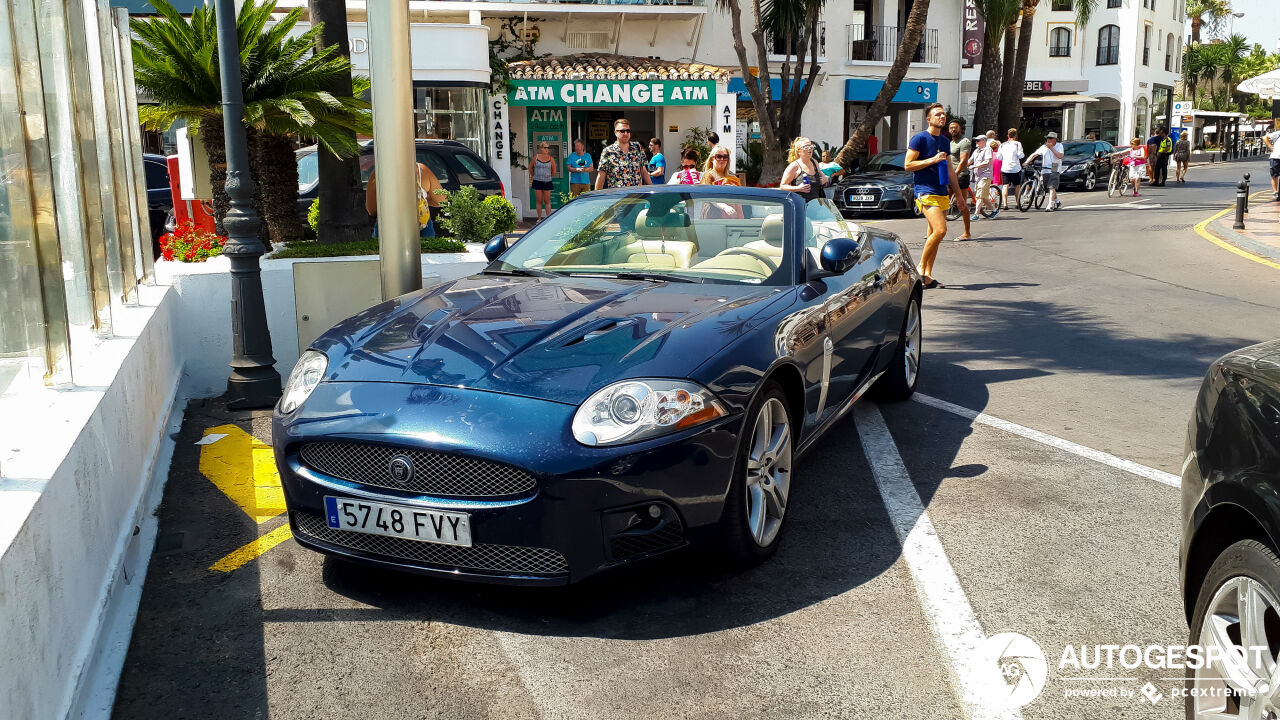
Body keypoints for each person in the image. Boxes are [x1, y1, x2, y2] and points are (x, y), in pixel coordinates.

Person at [905, 103, 962, 289]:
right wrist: (932, 159)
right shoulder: (919, 138)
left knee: (934, 235)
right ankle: (920, 268)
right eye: (937, 114)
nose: (942, 117)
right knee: (940, 230)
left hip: (941, 191)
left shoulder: (945, 141)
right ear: (928, 119)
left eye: (943, 114)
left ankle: (927, 276)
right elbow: (908, 165)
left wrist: (959, 195)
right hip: (925, 191)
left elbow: (951, 171)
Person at [365, 159, 443, 237]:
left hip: (388, 225)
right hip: (421, 224)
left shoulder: (379, 173)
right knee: (426, 249)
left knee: (386, 249)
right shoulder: (421, 170)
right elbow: (442, 200)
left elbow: (371, 210)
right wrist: (419, 200)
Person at [595, 118, 651, 190]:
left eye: (628, 131)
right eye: (622, 131)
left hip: (637, 196)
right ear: (615, 132)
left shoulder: (637, 148)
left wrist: (651, 190)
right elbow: (601, 176)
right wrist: (596, 197)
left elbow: (644, 172)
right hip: (618, 197)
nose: (625, 133)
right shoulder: (608, 152)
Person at [1025, 132, 1066, 211]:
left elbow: (1060, 156)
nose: (1048, 140)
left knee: (1052, 186)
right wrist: (1027, 162)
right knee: (1048, 187)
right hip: (1045, 167)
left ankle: (1050, 205)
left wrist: (1051, 148)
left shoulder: (1059, 146)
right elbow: (1034, 154)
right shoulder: (1043, 147)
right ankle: (1057, 201)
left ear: (1055, 140)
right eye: (1047, 138)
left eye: (1050, 138)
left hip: (1055, 166)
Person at [780, 136, 827, 202]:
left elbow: (820, 173)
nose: (809, 149)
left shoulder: (814, 162)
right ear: (799, 151)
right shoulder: (794, 166)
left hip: (815, 205)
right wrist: (798, 188)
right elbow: (782, 186)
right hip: (800, 205)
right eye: (806, 147)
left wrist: (825, 178)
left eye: (811, 146)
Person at [948, 119, 973, 241]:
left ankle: (967, 233)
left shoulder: (964, 142)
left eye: (955, 127)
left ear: (960, 128)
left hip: (961, 176)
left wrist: (955, 174)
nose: (953, 129)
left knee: (962, 204)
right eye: (951, 127)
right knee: (942, 203)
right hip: (949, 177)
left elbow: (963, 161)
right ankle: (935, 231)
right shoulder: (951, 142)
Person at [968, 138, 999, 221]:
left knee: (979, 196)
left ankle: (976, 215)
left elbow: (987, 162)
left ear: (984, 141)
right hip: (978, 177)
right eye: (976, 141)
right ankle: (994, 210)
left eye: (978, 140)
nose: (976, 142)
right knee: (984, 197)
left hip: (985, 175)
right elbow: (970, 161)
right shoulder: (976, 151)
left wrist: (974, 166)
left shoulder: (987, 150)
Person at [997, 128, 1025, 210]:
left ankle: (1005, 204)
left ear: (1008, 135)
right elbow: (1020, 155)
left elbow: (999, 157)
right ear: (1015, 135)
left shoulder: (1002, 145)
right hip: (1015, 168)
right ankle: (1017, 203)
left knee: (1005, 186)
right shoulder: (1017, 144)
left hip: (1005, 168)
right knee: (1017, 185)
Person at [530, 143, 557, 221]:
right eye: (545, 147)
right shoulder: (536, 157)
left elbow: (554, 170)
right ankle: (539, 218)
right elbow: (530, 167)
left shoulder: (550, 158)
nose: (547, 149)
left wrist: (549, 176)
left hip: (547, 181)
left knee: (547, 200)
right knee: (539, 200)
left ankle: (548, 218)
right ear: (541, 148)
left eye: (548, 148)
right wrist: (534, 175)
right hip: (537, 181)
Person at [1266, 124, 1280, 200]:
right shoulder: (1278, 133)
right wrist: (1270, 146)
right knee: (1275, 176)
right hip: (1276, 157)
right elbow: (1265, 137)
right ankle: (1275, 192)